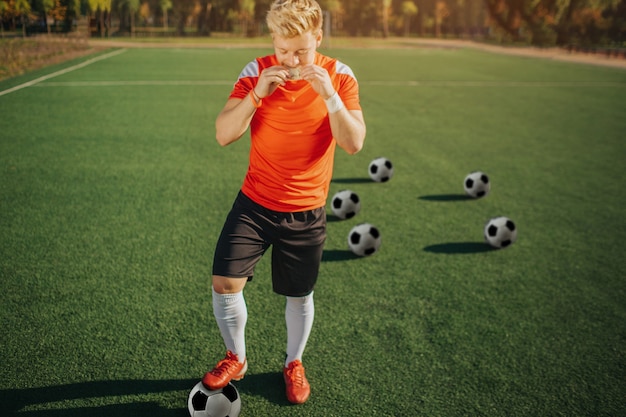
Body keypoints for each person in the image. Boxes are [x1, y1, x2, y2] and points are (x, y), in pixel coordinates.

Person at [202, 0, 366, 405]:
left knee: (300, 295)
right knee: (224, 283)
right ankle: (236, 357)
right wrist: (257, 93)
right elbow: (224, 134)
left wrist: (327, 93)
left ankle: (294, 362)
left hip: (307, 209)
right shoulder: (255, 72)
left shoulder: (340, 76)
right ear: (272, 40)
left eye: (302, 51)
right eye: (284, 50)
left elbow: (353, 142)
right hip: (255, 203)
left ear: (318, 39)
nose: (292, 62)